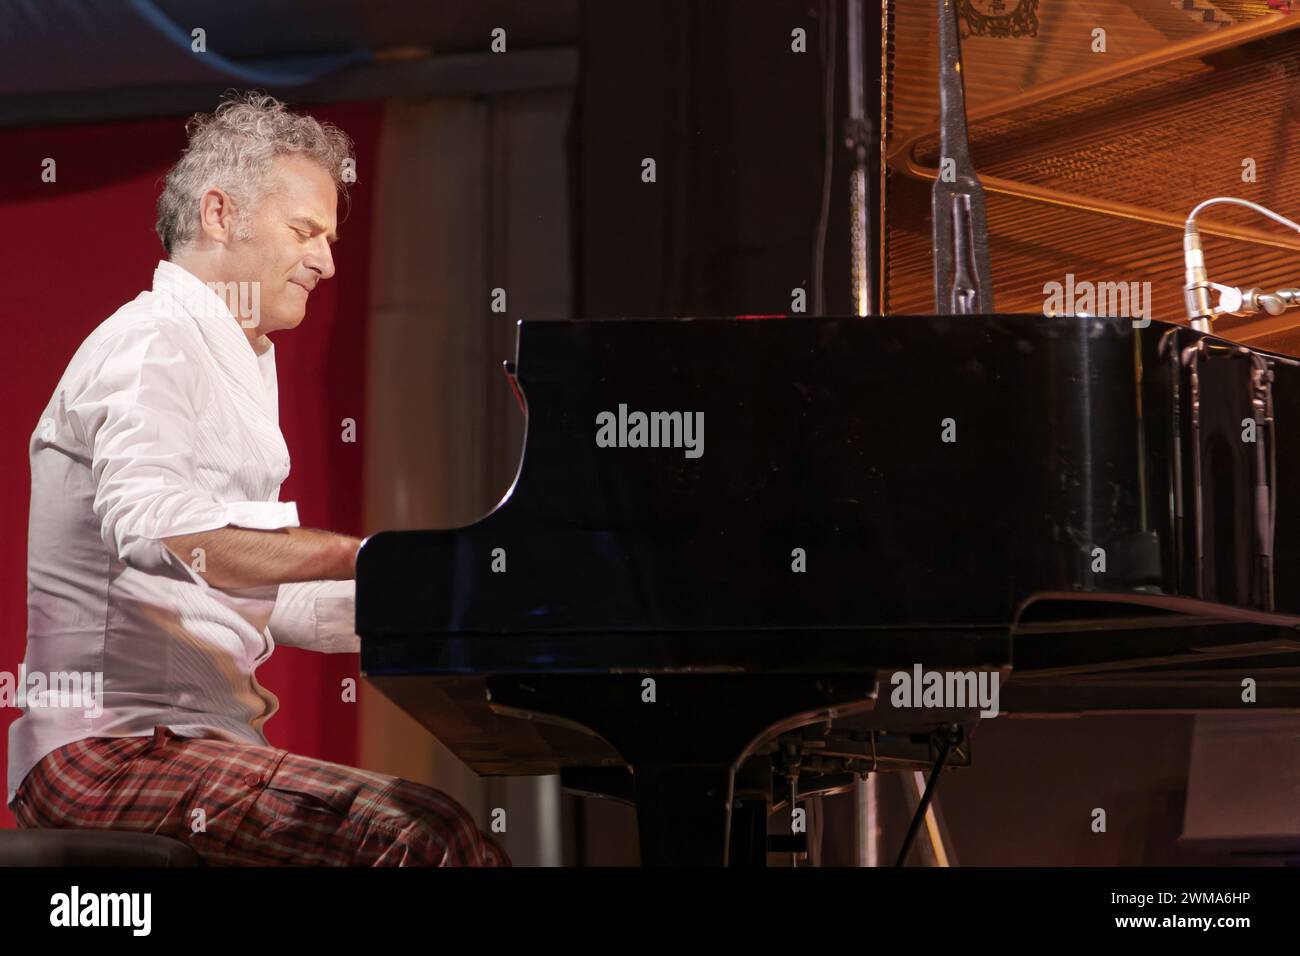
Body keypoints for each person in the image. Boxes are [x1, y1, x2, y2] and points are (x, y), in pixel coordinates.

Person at [5, 91, 507, 866]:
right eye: (305, 231)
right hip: (108, 751)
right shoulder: (153, 344)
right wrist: (357, 553)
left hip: (184, 745)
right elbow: (160, 533)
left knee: (428, 826)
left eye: (330, 238)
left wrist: (442, 604)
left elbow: (258, 588)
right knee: (422, 834)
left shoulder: (230, 356)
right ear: (218, 213)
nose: (328, 260)